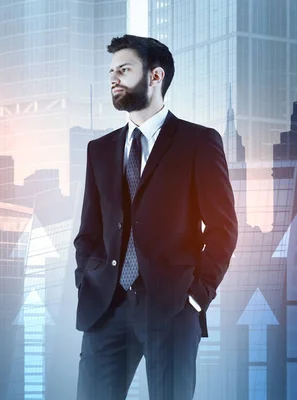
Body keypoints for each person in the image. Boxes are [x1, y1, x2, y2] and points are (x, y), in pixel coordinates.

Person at [73, 34, 238, 400]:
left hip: (172, 307)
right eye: (112, 71)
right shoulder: (99, 150)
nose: (114, 78)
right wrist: (86, 277)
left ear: (155, 76)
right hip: (106, 307)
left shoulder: (199, 142)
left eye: (125, 69)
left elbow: (223, 229)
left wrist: (197, 297)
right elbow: (89, 232)